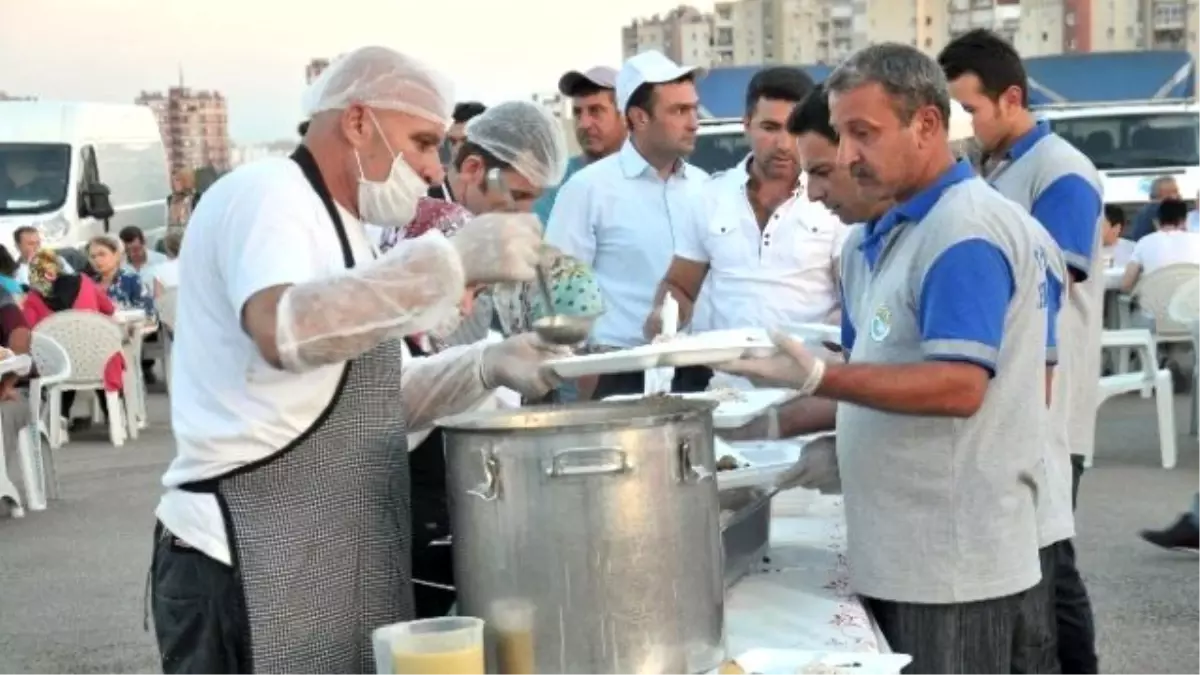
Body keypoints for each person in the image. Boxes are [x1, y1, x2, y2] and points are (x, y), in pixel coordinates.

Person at [149, 45, 560, 675]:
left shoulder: (351, 230)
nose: (431, 169)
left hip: (323, 546)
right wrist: (450, 263)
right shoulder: (268, 194)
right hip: (239, 552)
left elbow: (376, 396)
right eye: (422, 143)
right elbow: (284, 329)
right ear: (359, 121)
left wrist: (488, 363)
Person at [718, 43, 1058, 674]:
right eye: (842, 136)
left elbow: (959, 387)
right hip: (905, 550)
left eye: (862, 134)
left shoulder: (963, 232)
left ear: (927, 123)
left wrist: (821, 375)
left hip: (951, 563)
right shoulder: (895, 232)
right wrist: (757, 426)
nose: (847, 157)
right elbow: (879, 376)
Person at [940, 29, 1102, 675]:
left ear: (1011, 97)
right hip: (1015, 401)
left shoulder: (1061, 172)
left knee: (1052, 565)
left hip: (1051, 403)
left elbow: (1047, 285)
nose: (963, 127)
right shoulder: (992, 166)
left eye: (969, 111)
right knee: (1030, 566)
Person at [649, 67, 847, 359]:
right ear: (747, 125)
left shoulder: (834, 201)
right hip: (729, 385)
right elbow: (680, 286)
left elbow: (854, 295)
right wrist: (663, 319)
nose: (782, 144)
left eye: (793, 130)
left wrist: (833, 335)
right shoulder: (709, 197)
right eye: (769, 128)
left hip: (811, 381)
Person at [546, 49, 710, 398]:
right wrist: (586, 374)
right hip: (619, 374)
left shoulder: (705, 187)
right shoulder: (587, 190)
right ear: (639, 117)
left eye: (693, 108)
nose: (694, 121)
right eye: (679, 110)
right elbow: (558, 294)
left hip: (700, 368)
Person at [22, 249, 123, 429]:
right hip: (96, 358)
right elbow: (108, 308)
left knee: (64, 356)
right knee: (99, 356)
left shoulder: (33, 298)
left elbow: (30, 332)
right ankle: (114, 415)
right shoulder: (85, 282)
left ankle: (60, 415)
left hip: (58, 364)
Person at [534, 66, 626, 227]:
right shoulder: (557, 182)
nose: (584, 124)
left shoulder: (658, 176)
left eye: (595, 111)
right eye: (578, 113)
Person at [1121, 197, 1200, 292]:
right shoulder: (1197, 240)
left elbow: (1126, 284)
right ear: (1184, 220)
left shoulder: (1145, 242)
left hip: (1153, 304)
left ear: (1157, 221)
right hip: (1191, 304)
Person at [1125, 175, 1179, 242]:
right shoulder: (1159, 210)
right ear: (1166, 193)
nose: (1178, 195)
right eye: (1175, 191)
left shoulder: (1145, 210)